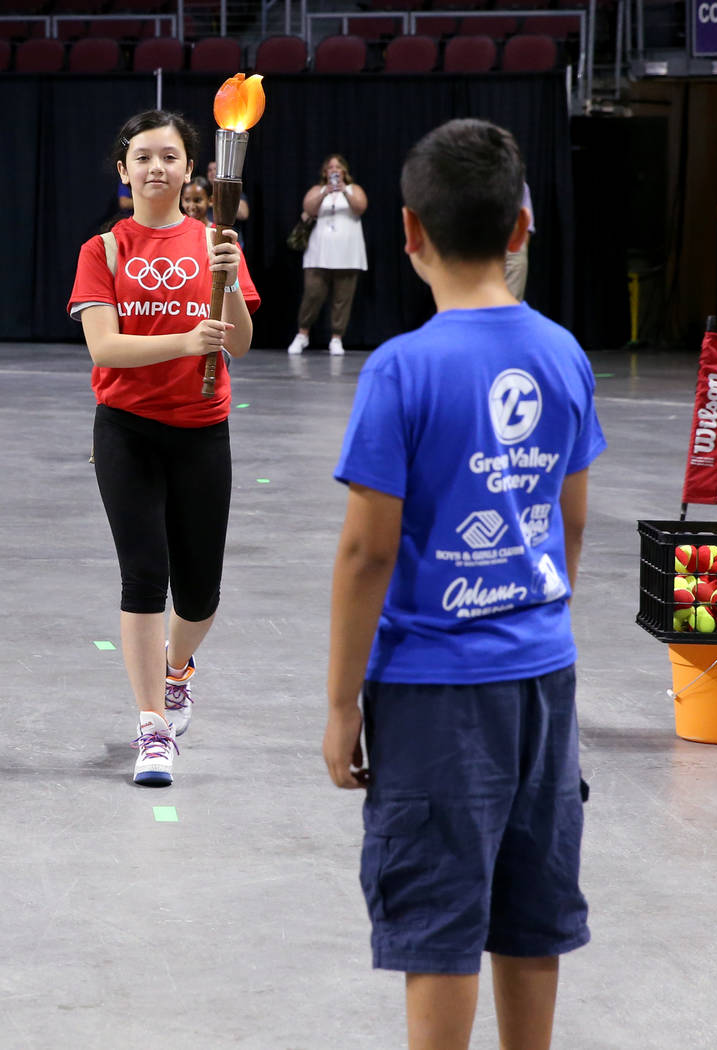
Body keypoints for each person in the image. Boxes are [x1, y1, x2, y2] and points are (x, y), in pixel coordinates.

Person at [323, 118, 606, 1050]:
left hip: (433, 691)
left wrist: (339, 707)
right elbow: (568, 520)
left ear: (406, 233)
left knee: (438, 924)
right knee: (532, 912)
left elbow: (367, 554)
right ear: (521, 229)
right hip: (543, 679)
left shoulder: (402, 368)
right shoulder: (563, 352)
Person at [67, 109, 261, 786]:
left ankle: (178, 670)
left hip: (203, 430)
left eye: (168, 156)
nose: (156, 167)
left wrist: (230, 281)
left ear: (192, 170)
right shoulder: (105, 251)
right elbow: (104, 347)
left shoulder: (214, 241)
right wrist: (185, 341)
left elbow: (237, 342)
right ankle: (153, 725)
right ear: (123, 171)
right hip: (127, 430)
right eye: (142, 156)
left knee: (200, 591)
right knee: (144, 576)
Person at [287, 154, 368, 357]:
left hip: (347, 254)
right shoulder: (318, 190)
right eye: (330, 167)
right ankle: (303, 334)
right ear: (325, 171)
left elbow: (360, 207)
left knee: (343, 298)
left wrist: (343, 191)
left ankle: (336, 338)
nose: (334, 170)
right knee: (312, 295)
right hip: (319, 254)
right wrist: (326, 192)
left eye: (338, 167)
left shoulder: (353, 189)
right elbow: (308, 208)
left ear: (344, 171)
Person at [504, 180, 535, 300]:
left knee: (509, 305)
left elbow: (527, 228)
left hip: (511, 247)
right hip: (475, 246)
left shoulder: (518, 185)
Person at [206, 159, 249, 246]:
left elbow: (244, 214)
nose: (212, 172)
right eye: (209, 170)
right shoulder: (203, 192)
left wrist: (222, 195)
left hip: (232, 242)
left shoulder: (233, 192)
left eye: (215, 169)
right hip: (208, 242)